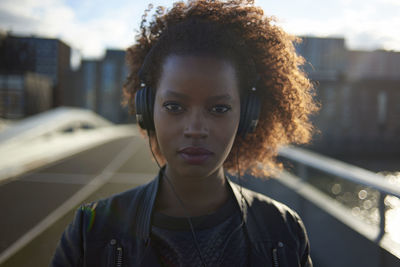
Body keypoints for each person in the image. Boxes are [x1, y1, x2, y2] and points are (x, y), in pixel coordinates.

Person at [51, 0, 318, 266]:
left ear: (248, 116)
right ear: (146, 110)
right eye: (174, 106)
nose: (195, 129)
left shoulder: (284, 232)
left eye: (219, 108)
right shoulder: (91, 230)